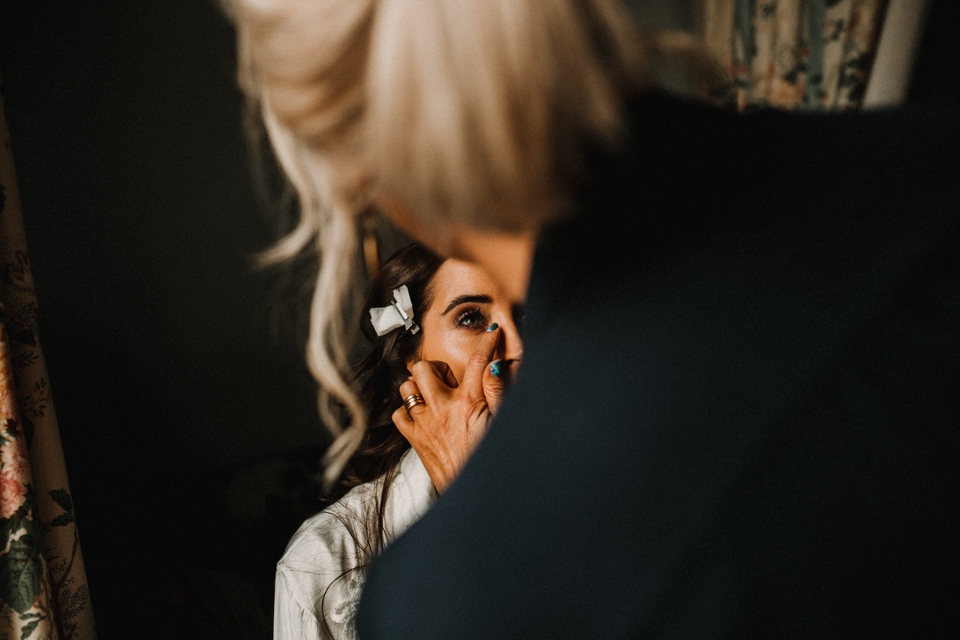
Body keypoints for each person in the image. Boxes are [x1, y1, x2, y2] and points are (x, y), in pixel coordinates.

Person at [225, 0, 960, 637]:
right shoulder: (927, 162)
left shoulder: (463, 597)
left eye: (506, 313)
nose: (511, 348)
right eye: (473, 318)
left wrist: (482, 517)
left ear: (359, 175)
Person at [273, 242, 522, 640]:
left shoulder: (610, 490)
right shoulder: (324, 560)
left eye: (529, 314)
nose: (519, 347)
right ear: (413, 358)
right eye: (472, 317)